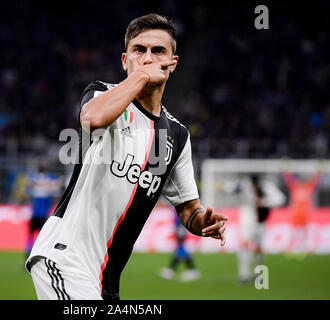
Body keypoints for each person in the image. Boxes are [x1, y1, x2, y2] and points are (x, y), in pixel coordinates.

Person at [25, 14, 227, 300]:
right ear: (125, 60)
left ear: (173, 63)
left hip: (105, 280)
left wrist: (202, 222)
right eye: (139, 50)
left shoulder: (177, 136)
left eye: (158, 51)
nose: (147, 58)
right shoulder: (102, 94)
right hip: (65, 259)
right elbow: (92, 118)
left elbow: (187, 207)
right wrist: (143, 76)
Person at [223, 174, 285, 285]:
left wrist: (264, 202)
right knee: (245, 245)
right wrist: (229, 187)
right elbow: (228, 189)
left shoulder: (266, 187)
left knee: (258, 248)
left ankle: (257, 273)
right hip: (247, 218)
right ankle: (243, 275)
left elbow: (280, 199)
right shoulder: (243, 185)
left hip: (260, 221)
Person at [23, 163, 62, 259]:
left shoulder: (33, 179)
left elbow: (26, 191)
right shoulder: (51, 179)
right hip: (44, 217)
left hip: (35, 215)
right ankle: (43, 256)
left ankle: (28, 255)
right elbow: (57, 193)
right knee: (45, 238)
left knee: (31, 236)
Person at [282, 165, 321, 256]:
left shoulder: (308, 187)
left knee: (304, 231)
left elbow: (315, 180)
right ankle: (292, 246)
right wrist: (286, 170)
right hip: (296, 213)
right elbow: (289, 179)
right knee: (294, 231)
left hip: (305, 213)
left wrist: (318, 171)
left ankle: (304, 247)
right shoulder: (295, 187)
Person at [158, 202, 201, 282]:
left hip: (181, 225)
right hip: (179, 225)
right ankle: (173, 269)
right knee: (180, 247)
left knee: (180, 247)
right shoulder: (176, 201)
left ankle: (190, 269)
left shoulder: (181, 202)